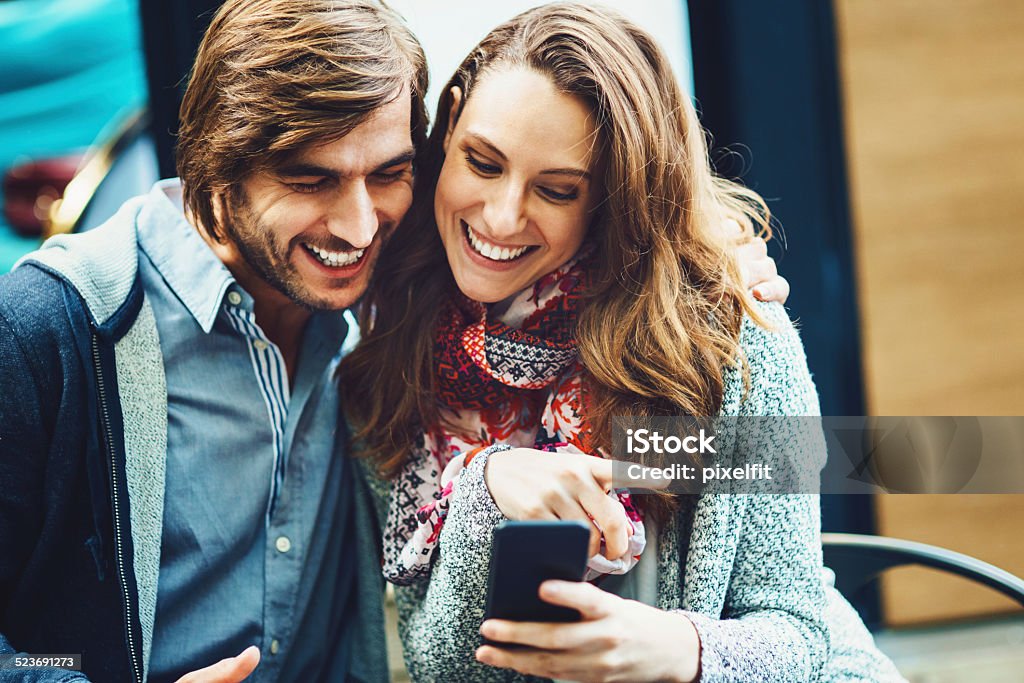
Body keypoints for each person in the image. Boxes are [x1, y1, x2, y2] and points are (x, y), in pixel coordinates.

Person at [0, 1, 789, 682]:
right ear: (217, 164)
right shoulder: (396, 344)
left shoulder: (393, 301)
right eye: (309, 179)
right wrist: (487, 488)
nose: (357, 224)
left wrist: (700, 267)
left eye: (388, 173)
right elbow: (451, 658)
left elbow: (827, 536)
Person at [341, 4, 905, 682]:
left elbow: (798, 630)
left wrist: (683, 650)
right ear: (451, 122)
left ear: (612, 197)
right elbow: (447, 667)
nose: (501, 214)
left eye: (556, 189)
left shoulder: (727, 347)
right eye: (483, 162)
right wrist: (485, 491)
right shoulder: (396, 367)